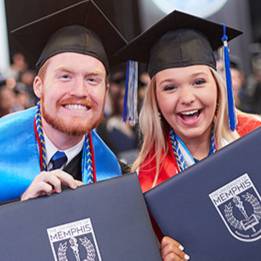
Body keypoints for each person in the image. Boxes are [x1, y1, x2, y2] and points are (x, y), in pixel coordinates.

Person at [116, 10, 261, 261]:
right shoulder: (145, 184)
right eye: (170, 87)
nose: (186, 98)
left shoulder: (256, 138)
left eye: (198, 82)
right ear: (155, 100)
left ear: (218, 85)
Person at [0, 0, 128, 203]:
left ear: (105, 91)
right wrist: (18, 216)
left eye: (92, 79)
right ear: (38, 86)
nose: (79, 91)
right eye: (65, 76)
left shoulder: (115, 175)